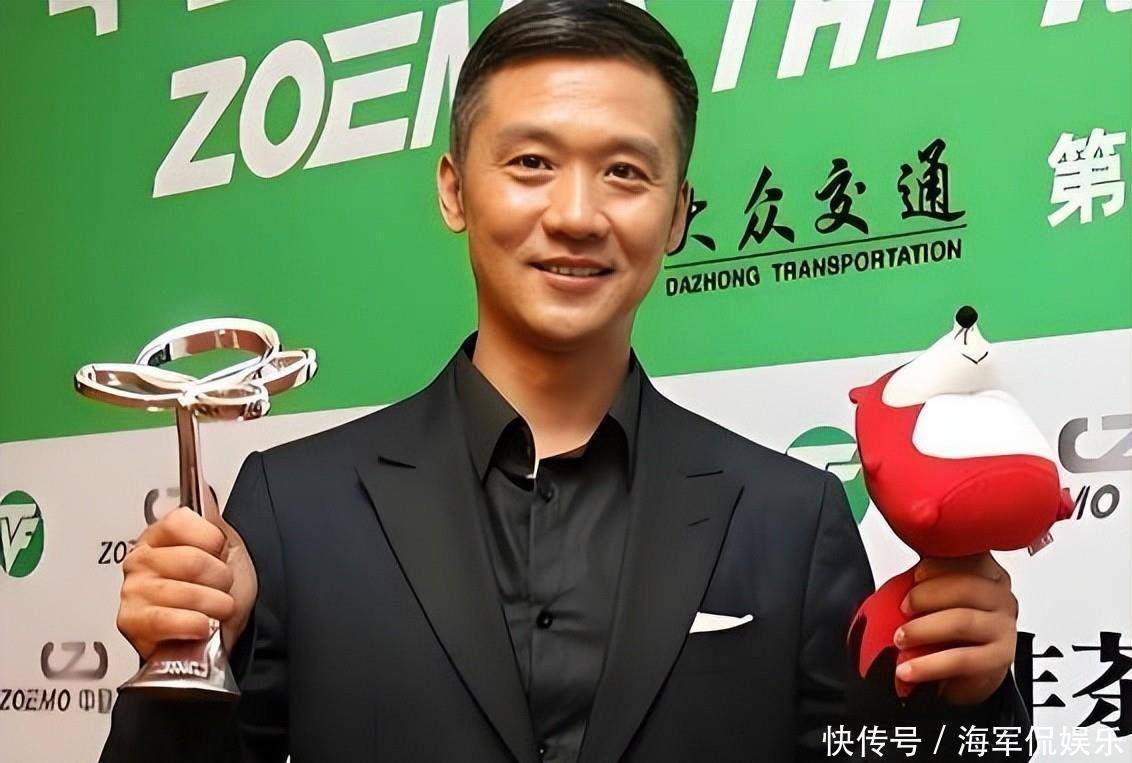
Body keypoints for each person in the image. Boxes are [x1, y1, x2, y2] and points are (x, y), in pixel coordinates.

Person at [100, 1, 1032, 761]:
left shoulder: (791, 520)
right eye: (532, 163)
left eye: (625, 171)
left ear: (679, 214)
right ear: (454, 189)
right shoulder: (295, 507)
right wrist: (174, 664)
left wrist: (974, 697)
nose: (577, 214)